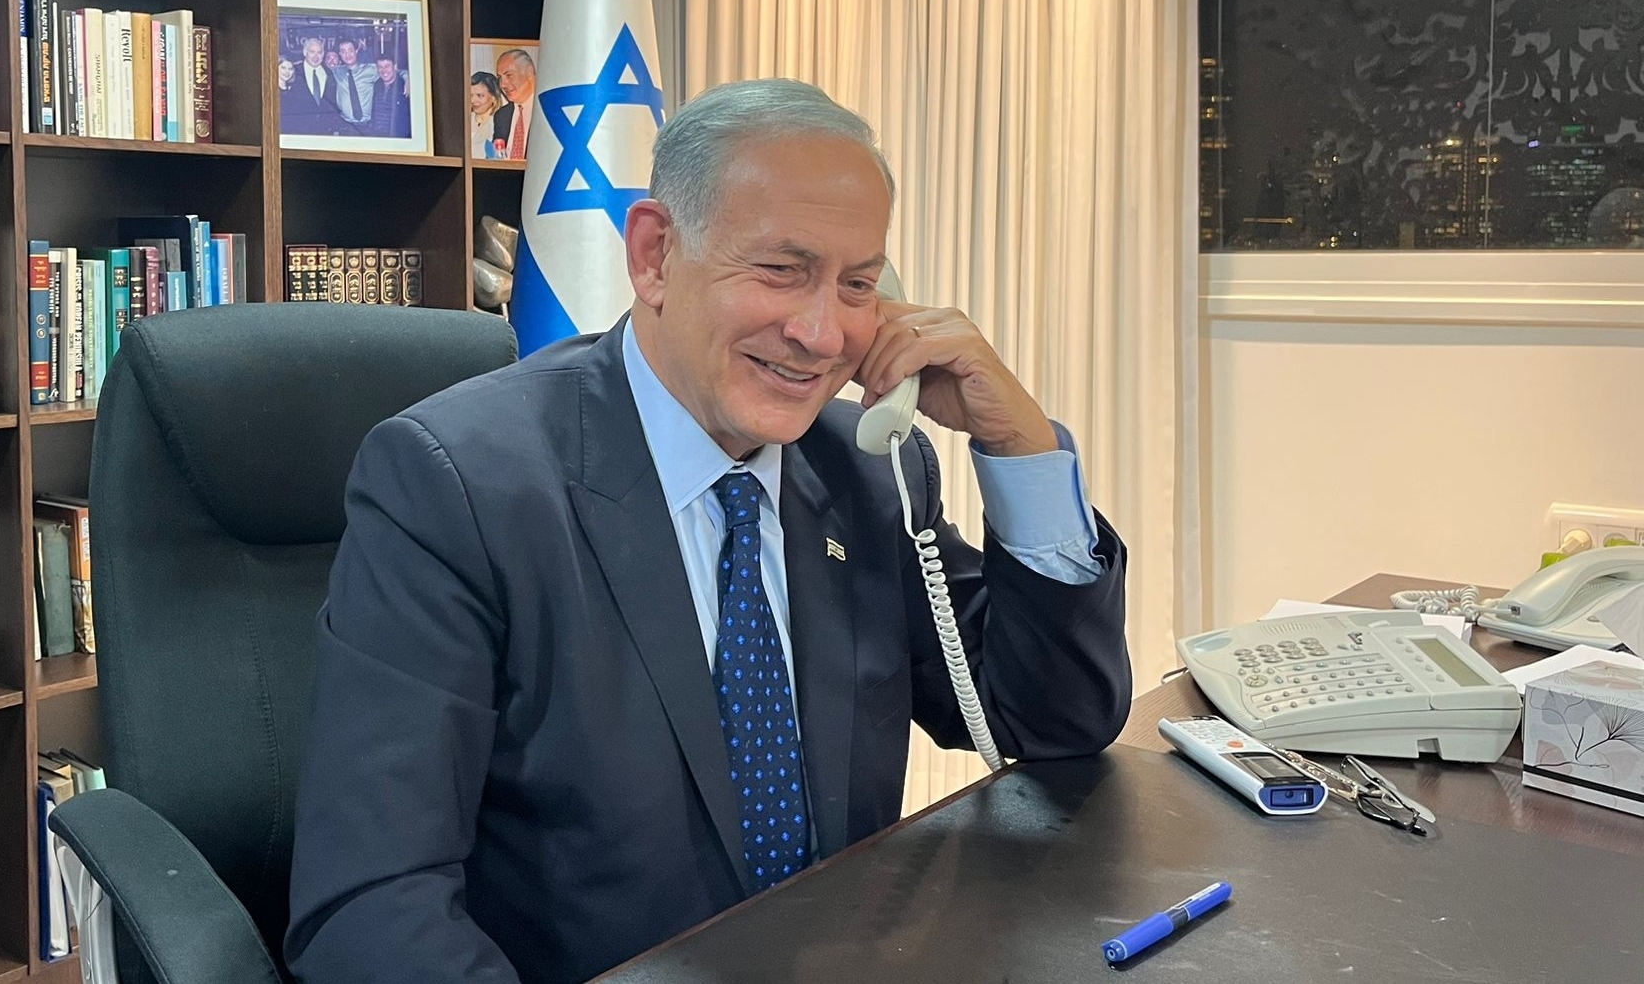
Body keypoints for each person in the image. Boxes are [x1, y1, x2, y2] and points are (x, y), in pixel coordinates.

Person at [285, 78, 1132, 983]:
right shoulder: (457, 485)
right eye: (781, 269)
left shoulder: (871, 471)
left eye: (856, 285)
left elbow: (1053, 725)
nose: (821, 333)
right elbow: (370, 906)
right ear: (654, 255)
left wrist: (1022, 447)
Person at [492, 48, 537, 159]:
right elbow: (496, 158)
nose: (503, 84)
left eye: (509, 75)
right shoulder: (501, 115)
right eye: (500, 78)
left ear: (529, 72)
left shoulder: (546, 110)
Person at [470, 71, 505, 158]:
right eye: (470, 95)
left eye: (480, 95)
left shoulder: (500, 123)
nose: (473, 100)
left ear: (494, 97)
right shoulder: (465, 121)